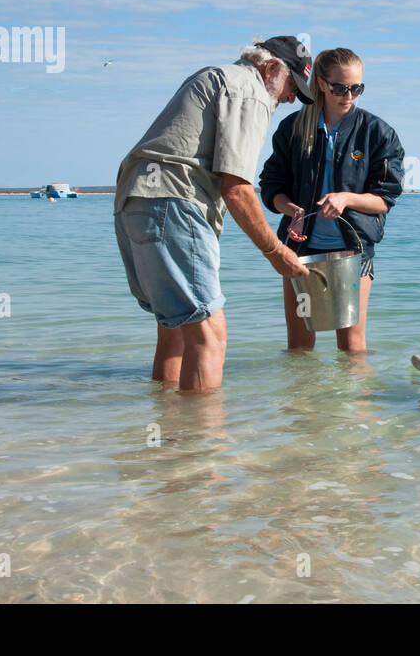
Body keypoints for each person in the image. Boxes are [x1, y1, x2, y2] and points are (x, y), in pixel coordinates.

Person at [113, 37, 314, 391]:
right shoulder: (250, 92)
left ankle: (173, 434)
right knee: (209, 335)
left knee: (175, 329)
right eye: (292, 86)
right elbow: (236, 188)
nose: (291, 98)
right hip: (174, 201)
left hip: (136, 199)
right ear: (270, 69)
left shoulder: (214, 75)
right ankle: (200, 442)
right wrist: (275, 251)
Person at [260, 47, 404, 352]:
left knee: (352, 346)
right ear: (322, 84)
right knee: (299, 345)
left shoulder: (377, 133)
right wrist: (292, 210)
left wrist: (346, 198)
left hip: (354, 253)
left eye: (357, 88)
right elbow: (271, 188)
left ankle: (354, 401)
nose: (349, 95)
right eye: (341, 87)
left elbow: (384, 200)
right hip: (297, 251)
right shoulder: (293, 128)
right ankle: (301, 401)